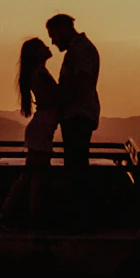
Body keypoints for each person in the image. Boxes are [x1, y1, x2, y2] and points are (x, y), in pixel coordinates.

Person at [0, 37, 60, 227]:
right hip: (42, 129)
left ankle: (7, 213)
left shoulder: (37, 73)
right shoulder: (40, 73)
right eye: (42, 46)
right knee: (38, 177)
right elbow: (52, 98)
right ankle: (33, 217)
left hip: (40, 128)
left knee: (30, 175)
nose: (48, 47)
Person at [46, 13, 100, 171]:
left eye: (53, 35)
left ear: (62, 30)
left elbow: (82, 83)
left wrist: (58, 97)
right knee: (75, 164)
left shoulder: (81, 50)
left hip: (78, 116)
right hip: (77, 115)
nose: (53, 42)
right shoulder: (79, 50)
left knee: (76, 167)